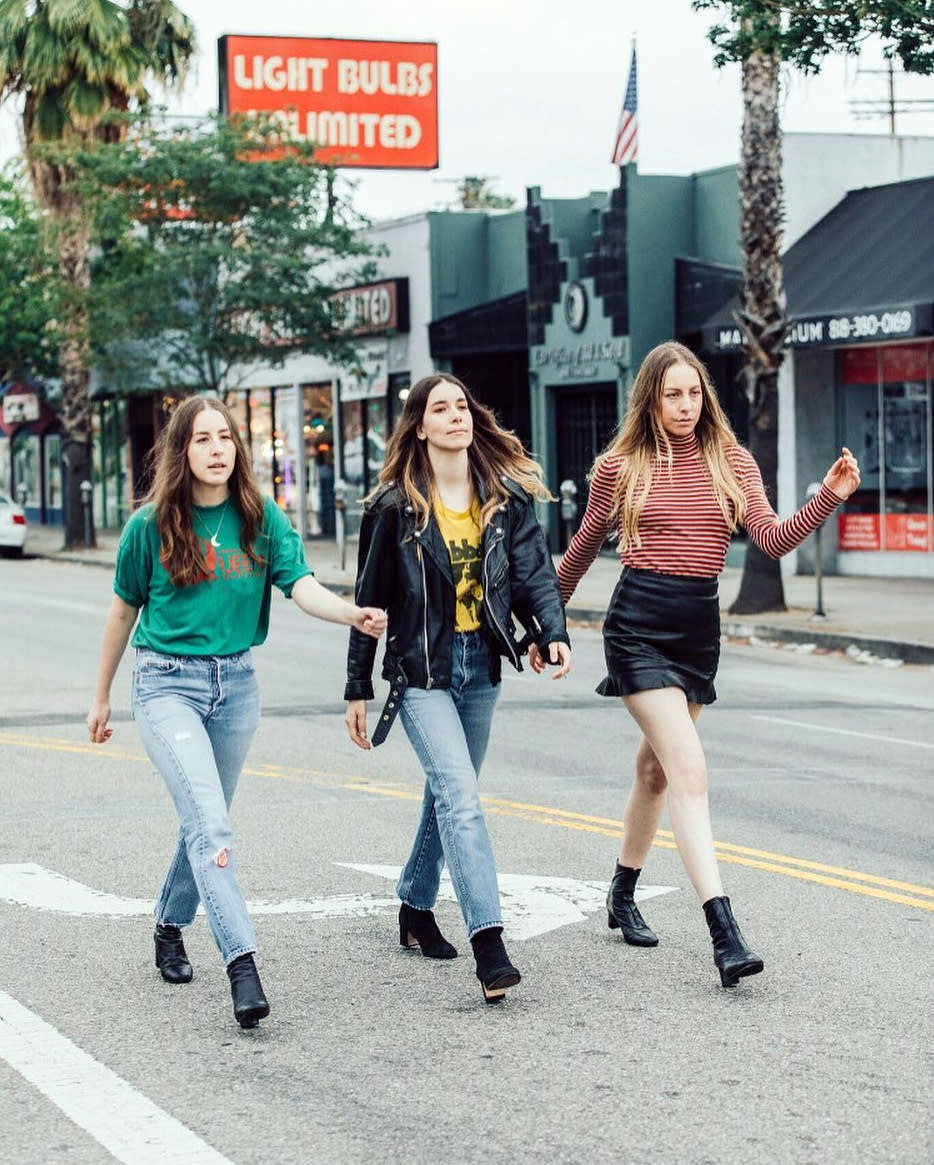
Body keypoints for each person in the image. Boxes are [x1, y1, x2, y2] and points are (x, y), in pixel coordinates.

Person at [548, 341, 860, 988]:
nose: (684, 405)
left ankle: (621, 892)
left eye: (693, 393)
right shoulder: (621, 464)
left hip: (697, 631)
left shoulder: (731, 459)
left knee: (656, 771)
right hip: (636, 627)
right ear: (651, 399)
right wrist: (546, 625)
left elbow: (770, 539)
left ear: (705, 396)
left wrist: (827, 496)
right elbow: (579, 552)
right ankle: (725, 933)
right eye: (672, 395)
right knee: (689, 768)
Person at [86, 396, 386, 1029]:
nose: (218, 449)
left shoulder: (260, 516)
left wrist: (351, 613)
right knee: (213, 829)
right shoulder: (152, 525)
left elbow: (300, 585)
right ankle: (242, 964)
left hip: (237, 686)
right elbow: (122, 611)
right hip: (167, 685)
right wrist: (101, 695)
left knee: (205, 819)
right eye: (202, 439)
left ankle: (170, 922)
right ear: (182, 452)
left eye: (226, 437)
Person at [344, 374, 571, 1004]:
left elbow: (532, 575)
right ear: (420, 426)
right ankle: (490, 945)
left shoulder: (506, 498)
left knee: (449, 794)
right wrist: (356, 684)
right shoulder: (394, 509)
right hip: (422, 671)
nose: (455, 417)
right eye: (439, 409)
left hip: (481, 667)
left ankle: (415, 906)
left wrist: (551, 630)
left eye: (462, 406)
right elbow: (370, 602)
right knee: (462, 799)